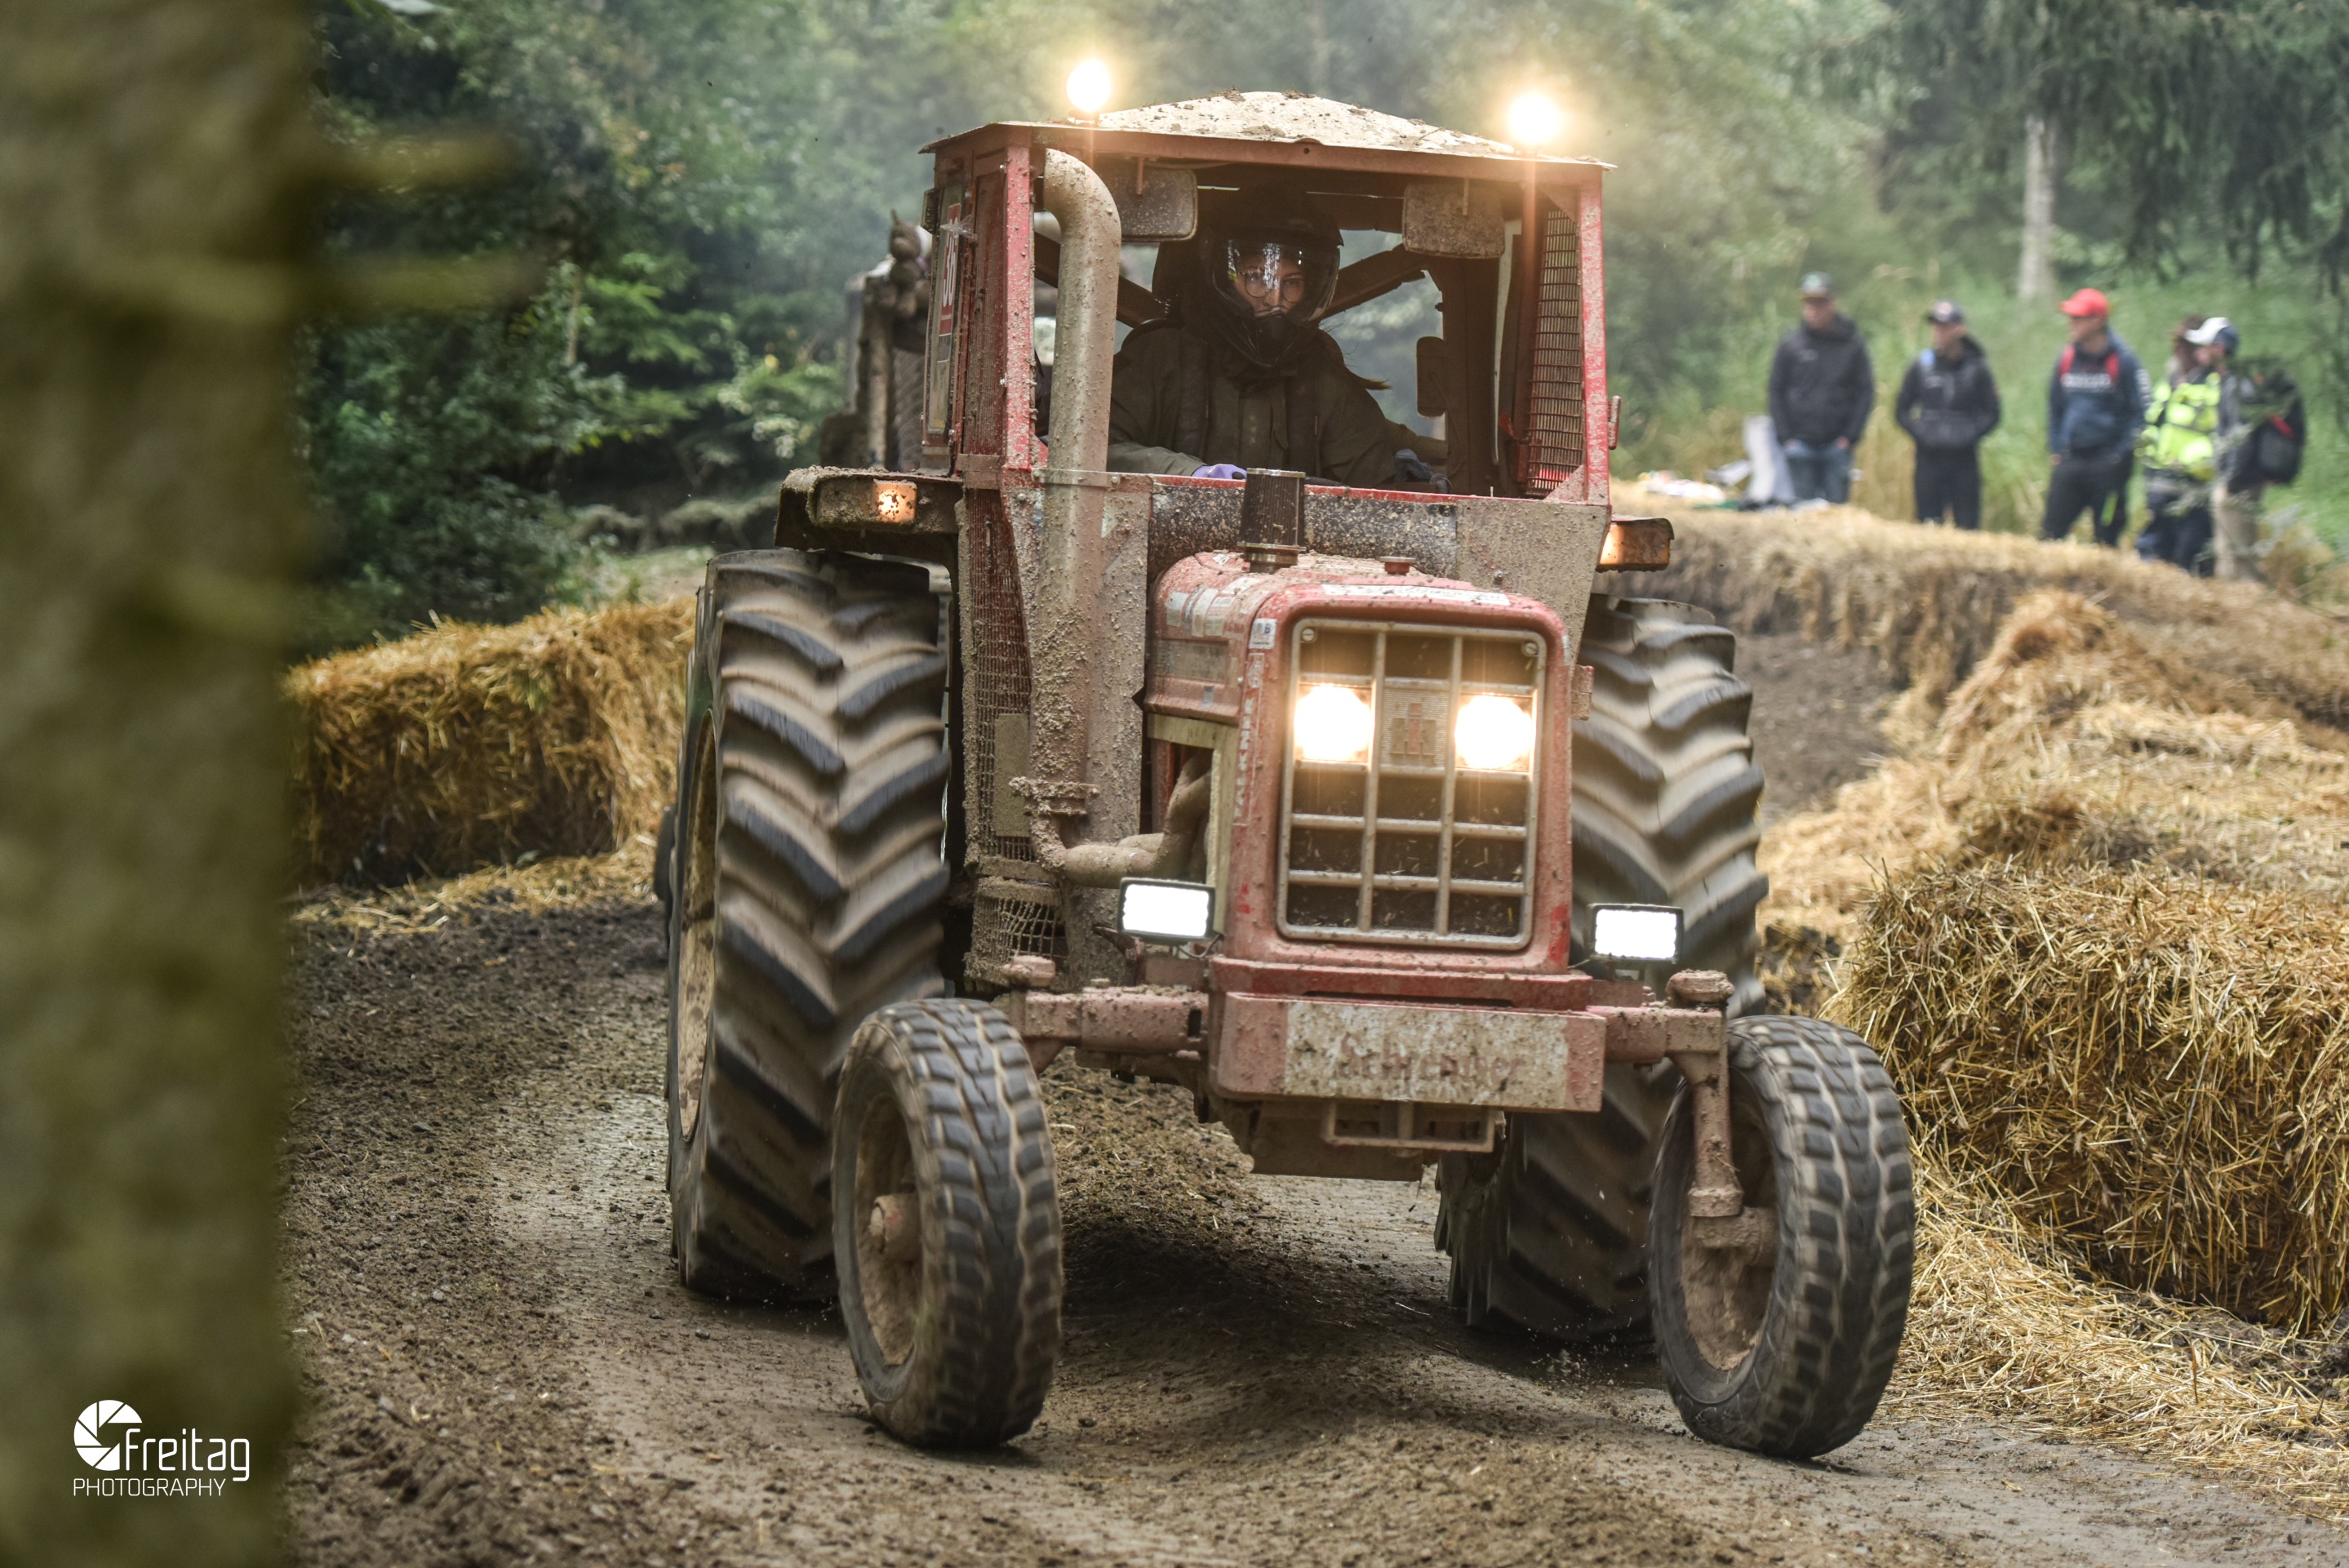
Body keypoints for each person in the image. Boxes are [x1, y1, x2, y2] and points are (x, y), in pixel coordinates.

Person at [1106, 191, 1401, 486]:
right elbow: (1095, 449)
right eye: (1256, 277)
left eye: (1292, 283)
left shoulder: (1323, 377)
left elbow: (1375, 492)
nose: (1275, 299)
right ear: (1222, 277)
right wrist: (1190, 475)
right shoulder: (1159, 359)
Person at [2040, 288, 2151, 546]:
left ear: (2098, 321)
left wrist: (2119, 455)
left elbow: (2142, 412)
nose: (2071, 324)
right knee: (2050, 534)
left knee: (2106, 537)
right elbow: (2054, 407)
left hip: (2108, 465)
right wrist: (2056, 448)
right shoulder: (2066, 358)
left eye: (2078, 318)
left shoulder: (2124, 360)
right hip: (2070, 460)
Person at [1767, 273, 1874, 504]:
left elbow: (1865, 392)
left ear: (1832, 303)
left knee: (1835, 513)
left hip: (1837, 446)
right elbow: (1776, 391)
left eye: (1819, 303)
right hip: (1799, 444)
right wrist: (1786, 438)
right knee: (1801, 512)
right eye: (1809, 303)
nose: (1813, 310)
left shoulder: (1852, 345)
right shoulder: (1791, 345)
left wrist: (1850, 437)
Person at [1894, 299, 2000, 529]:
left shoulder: (1977, 368)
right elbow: (1901, 410)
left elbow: (1992, 413)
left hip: (1964, 458)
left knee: (1967, 524)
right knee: (1928, 522)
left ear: (1959, 329)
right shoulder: (1922, 366)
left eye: (1945, 326)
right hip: (1929, 455)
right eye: (1936, 326)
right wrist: (1922, 432)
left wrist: (1969, 433)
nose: (1939, 332)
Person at [2134, 316, 2222, 575]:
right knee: (2155, 548)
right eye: (2178, 345)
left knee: (2190, 551)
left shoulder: (2214, 385)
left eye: (2185, 346)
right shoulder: (2171, 382)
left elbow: (2220, 432)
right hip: (2162, 480)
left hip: (2195, 482)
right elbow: (2157, 422)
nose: (2179, 352)